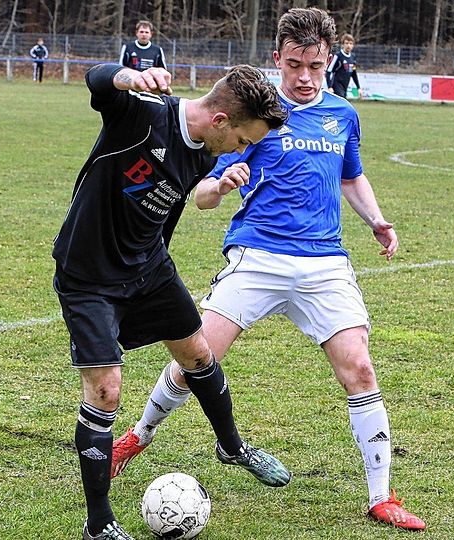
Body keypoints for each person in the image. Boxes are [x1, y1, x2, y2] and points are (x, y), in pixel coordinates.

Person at [111, 7, 426, 531]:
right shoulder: (254, 113)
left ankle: (380, 497)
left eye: (316, 67)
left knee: (360, 369)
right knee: (198, 355)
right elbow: (203, 198)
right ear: (277, 58)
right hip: (257, 256)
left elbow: (352, 177)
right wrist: (221, 182)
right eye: (295, 65)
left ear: (329, 62)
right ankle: (136, 438)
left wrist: (377, 219)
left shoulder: (342, 114)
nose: (305, 77)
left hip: (325, 262)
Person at [52, 62, 289, 540]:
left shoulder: (204, 152)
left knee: (198, 354)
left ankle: (232, 448)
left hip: (149, 270)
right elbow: (97, 81)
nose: (242, 150)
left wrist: (219, 188)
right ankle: (98, 524)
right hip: (90, 274)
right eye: (244, 140)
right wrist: (127, 77)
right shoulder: (143, 114)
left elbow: (194, 197)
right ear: (222, 121)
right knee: (105, 391)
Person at [326, 33, 362, 99]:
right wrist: (330, 86)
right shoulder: (338, 56)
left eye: (351, 43)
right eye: (346, 43)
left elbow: (354, 73)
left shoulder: (353, 57)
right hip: (336, 85)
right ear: (342, 44)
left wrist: (358, 88)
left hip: (345, 86)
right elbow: (329, 71)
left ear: (353, 45)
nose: (348, 45)